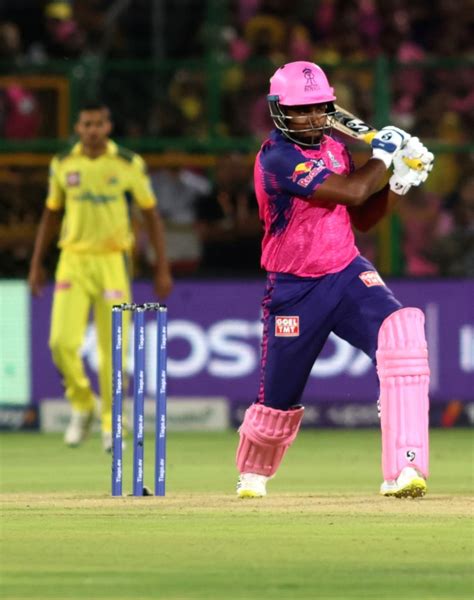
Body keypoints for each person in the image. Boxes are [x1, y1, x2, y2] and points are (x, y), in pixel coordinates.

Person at [235, 61, 434, 499]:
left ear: (330, 106)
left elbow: (361, 216)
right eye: (299, 110)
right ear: (278, 111)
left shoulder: (336, 149)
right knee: (277, 402)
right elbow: (352, 191)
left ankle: (405, 467)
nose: (309, 118)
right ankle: (252, 471)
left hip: (346, 272)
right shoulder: (278, 158)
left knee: (402, 338)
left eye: (318, 108)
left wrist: (398, 181)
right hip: (294, 288)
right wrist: (384, 154)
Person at [28, 101, 173, 452]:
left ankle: (111, 422)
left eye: (98, 124)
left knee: (114, 351)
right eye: (86, 124)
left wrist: (161, 266)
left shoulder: (127, 164)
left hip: (112, 261)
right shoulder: (63, 164)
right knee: (60, 343)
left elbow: (151, 216)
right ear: (78, 128)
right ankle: (83, 404)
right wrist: (36, 264)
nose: (92, 130)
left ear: (108, 127)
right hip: (72, 260)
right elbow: (51, 215)